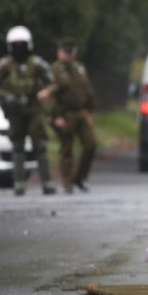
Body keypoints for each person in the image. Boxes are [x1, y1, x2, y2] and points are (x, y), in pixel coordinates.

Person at [0, 25, 57, 196]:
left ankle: (47, 182)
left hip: (33, 107)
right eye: (16, 44)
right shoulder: (4, 65)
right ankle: (19, 183)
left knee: (40, 145)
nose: (19, 48)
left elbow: (53, 82)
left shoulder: (36, 64)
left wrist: (46, 91)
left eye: (22, 44)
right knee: (17, 146)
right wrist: (6, 97)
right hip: (14, 110)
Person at [50, 38, 96, 194]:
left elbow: (88, 90)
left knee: (90, 144)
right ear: (59, 53)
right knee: (66, 148)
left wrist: (90, 111)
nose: (68, 56)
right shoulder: (54, 70)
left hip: (81, 112)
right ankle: (68, 182)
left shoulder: (79, 68)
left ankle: (80, 177)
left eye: (71, 53)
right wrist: (57, 116)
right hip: (65, 113)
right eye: (65, 52)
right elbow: (52, 96)